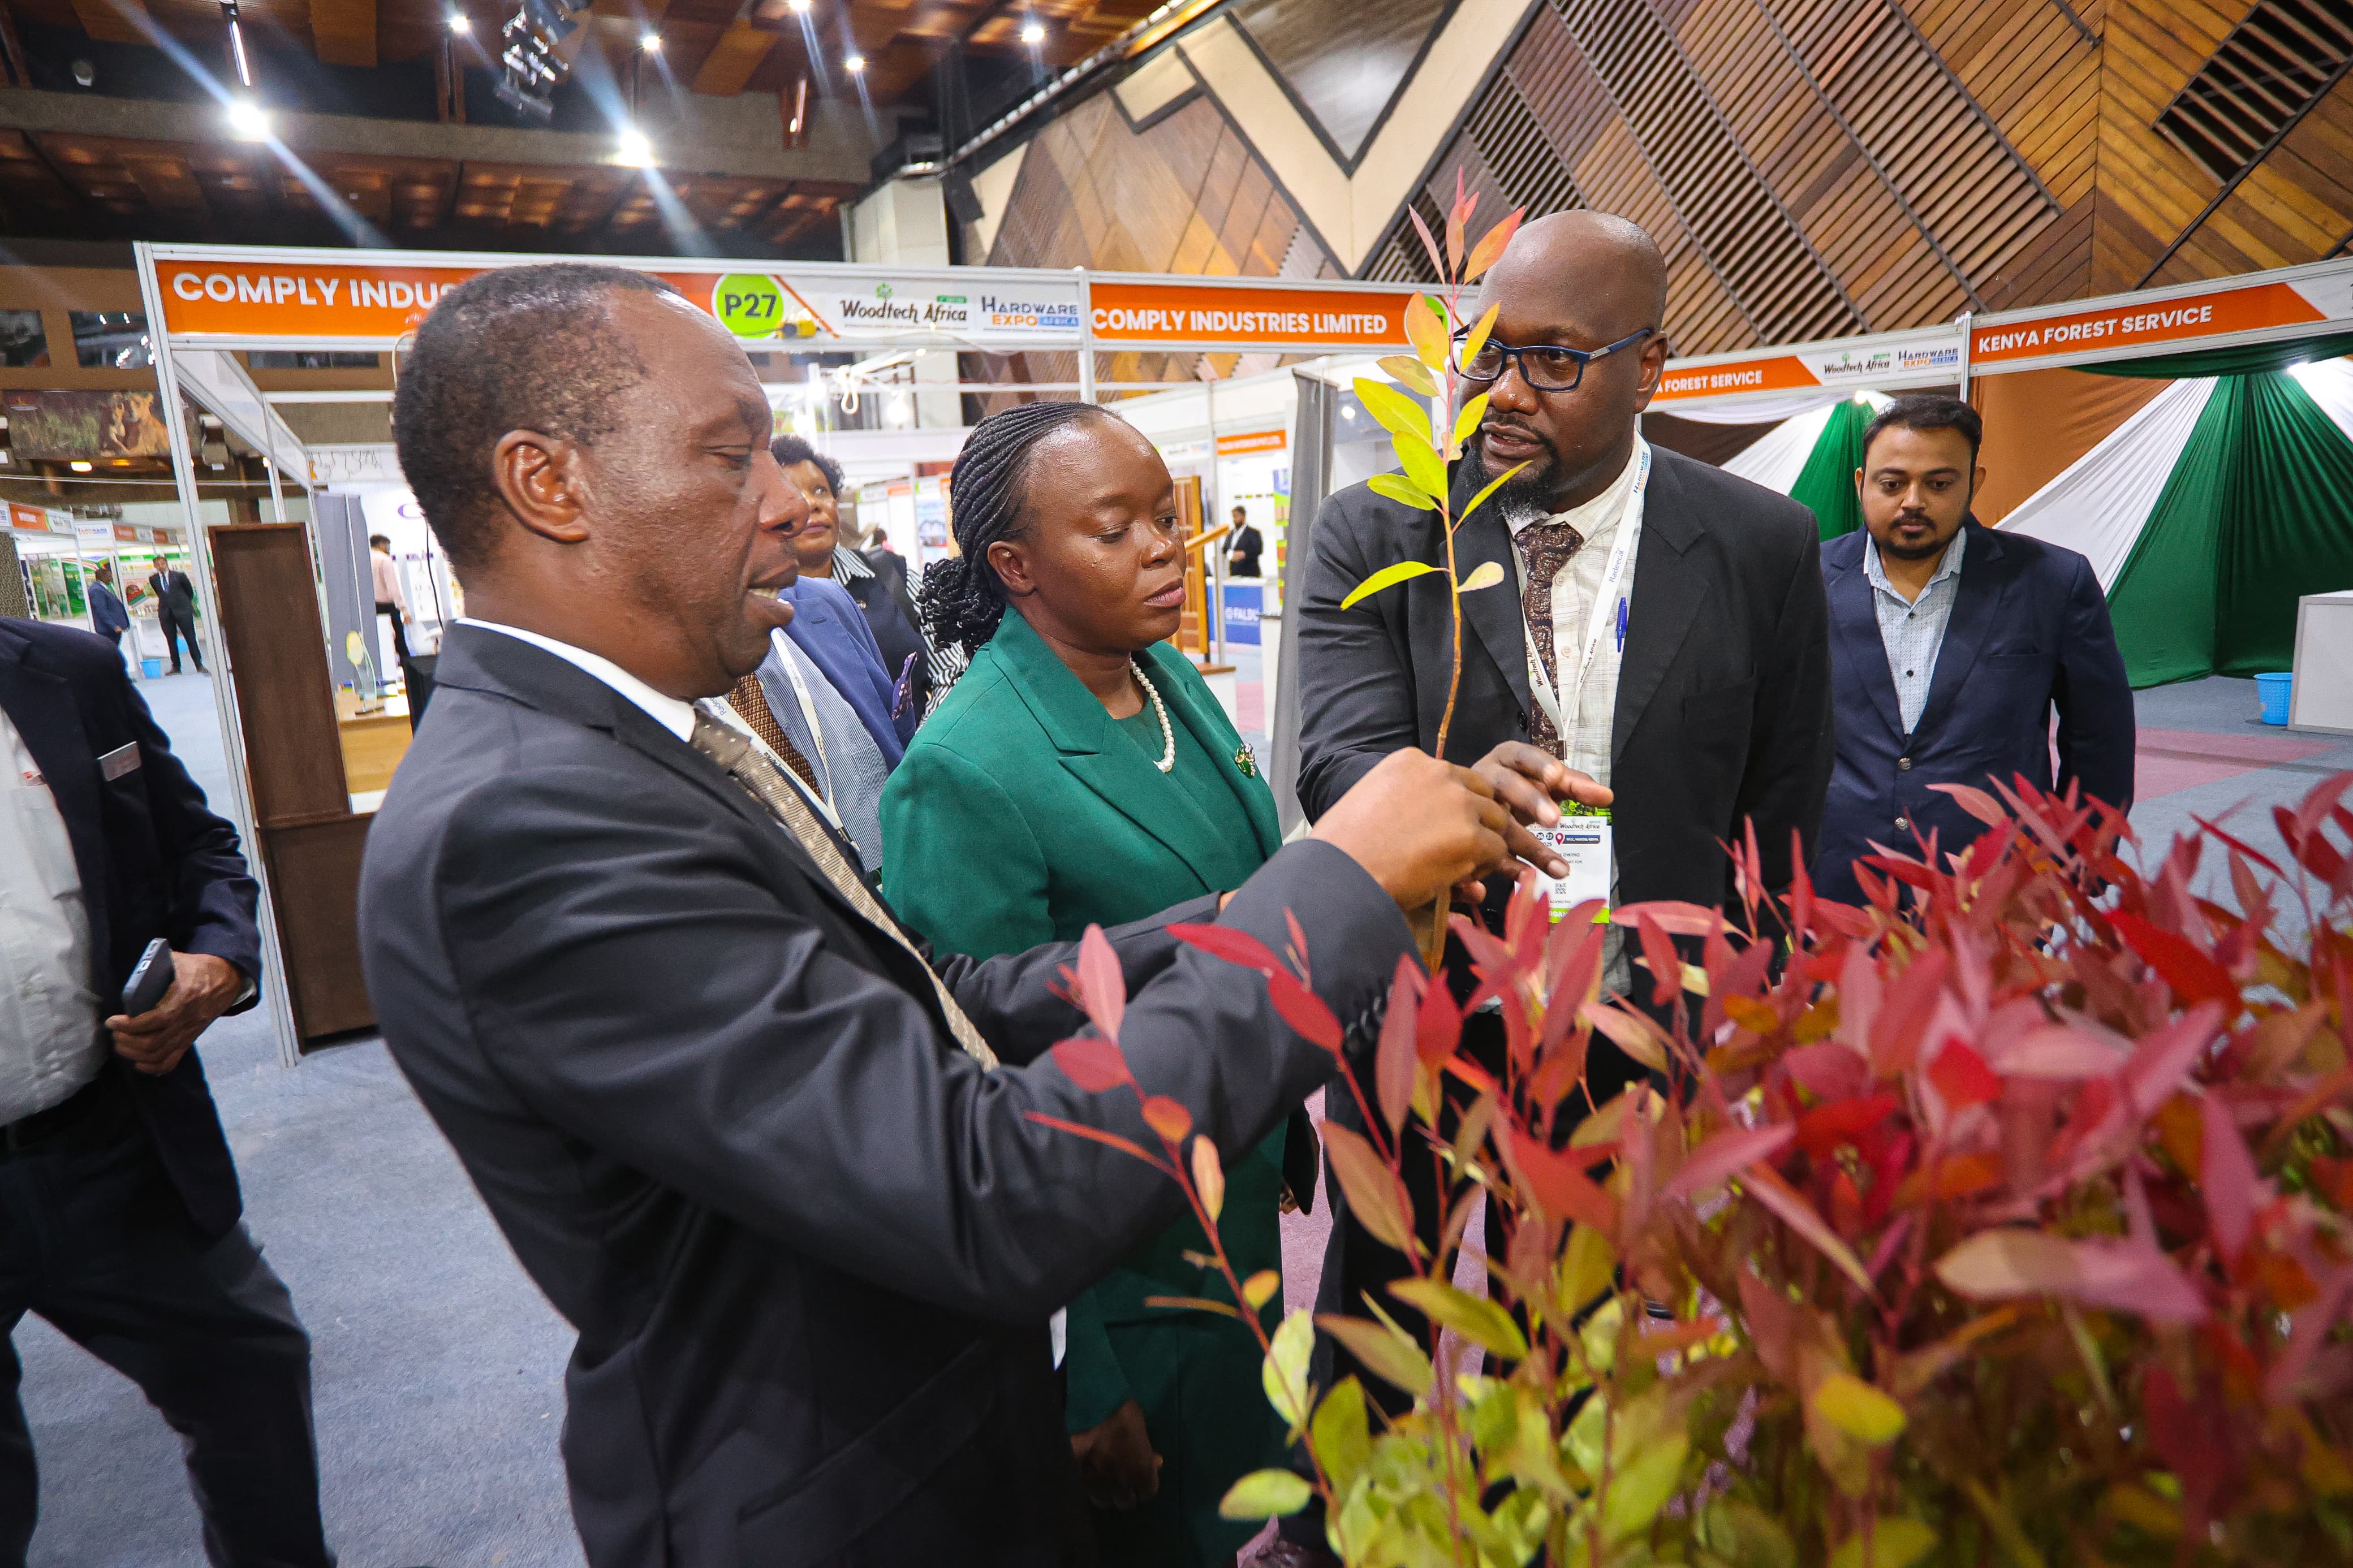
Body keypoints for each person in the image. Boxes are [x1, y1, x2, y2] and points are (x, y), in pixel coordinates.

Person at [359, 262, 1522, 1567]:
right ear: (547, 483)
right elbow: (980, 1184)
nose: (793, 502)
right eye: (732, 454)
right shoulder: (525, 825)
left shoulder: (632, 752)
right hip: (846, 1497)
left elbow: (926, 1005)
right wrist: (1330, 899)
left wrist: (1247, 907)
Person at [1284, 210, 1832, 1558]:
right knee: (1387, 1309)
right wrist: (1465, 793)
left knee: (1579, 1330)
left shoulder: (1761, 543)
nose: (1503, 393)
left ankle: (1553, 1534)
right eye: (1486, 354)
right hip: (1416, 1001)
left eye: (1553, 361)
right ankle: (1354, 1532)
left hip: (1627, 1024)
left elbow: (1779, 807)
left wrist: (1714, 1027)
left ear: (1656, 362)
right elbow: (1336, 753)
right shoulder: (1382, 525)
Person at [882, 404, 1393, 1568]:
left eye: (1167, 518)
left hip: (1232, 1202)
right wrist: (1082, 1377)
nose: (1168, 549)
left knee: (1234, 1506)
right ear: (1014, 567)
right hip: (1116, 1267)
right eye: (1118, 531)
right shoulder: (963, 770)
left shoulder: (1164, 676)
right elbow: (978, 1084)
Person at [0, 615, 331, 1567]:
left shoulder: (67, 671)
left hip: (110, 1137)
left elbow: (199, 847)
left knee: (253, 1375)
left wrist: (219, 958)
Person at [1812, 396, 2134, 903]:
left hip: (1998, 886)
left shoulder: (2052, 582)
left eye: (1939, 484)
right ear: (1860, 483)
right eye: (1892, 484)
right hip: (1836, 882)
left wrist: (2080, 865)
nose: (1913, 501)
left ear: (1973, 483)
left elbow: (2100, 740)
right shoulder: (1803, 578)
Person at [772, 434, 933, 718]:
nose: (812, 504)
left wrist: (925, 746)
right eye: (792, 494)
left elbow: (953, 668)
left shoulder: (892, 574)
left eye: (821, 491)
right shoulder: (762, 606)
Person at [146, 555, 203, 675]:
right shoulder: (153, 579)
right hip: (166, 613)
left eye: (162, 563)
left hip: (183, 611)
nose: (160, 566)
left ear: (166, 563)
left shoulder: (179, 576)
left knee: (190, 638)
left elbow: (189, 592)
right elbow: (159, 593)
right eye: (158, 564)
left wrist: (183, 603)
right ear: (155, 566)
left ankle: (199, 664)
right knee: (171, 641)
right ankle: (176, 667)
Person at [369, 532, 413, 665]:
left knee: (380, 644)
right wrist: (404, 609)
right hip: (386, 607)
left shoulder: (363, 558)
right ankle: (409, 676)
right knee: (400, 642)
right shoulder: (384, 559)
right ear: (382, 545)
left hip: (370, 607)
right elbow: (393, 587)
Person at [85, 560, 128, 650]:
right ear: (104, 577)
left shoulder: (102, 588)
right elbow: (101, 610)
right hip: (108, 630)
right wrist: (114, 626)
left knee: (114, 651)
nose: (111, 578)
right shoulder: (97, 590)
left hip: (112, 630)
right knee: (110, 651)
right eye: (110, 576)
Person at [1225, 505, 1262, 578]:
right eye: (1233, 517)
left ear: (1243, 516)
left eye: (1237, 516)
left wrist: (1244, 554)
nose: (1234, 519)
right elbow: (1225, 549)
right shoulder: (1231, 534)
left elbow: (1258, 549)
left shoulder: (1253, 533)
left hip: (1250, 574)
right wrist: (1231, 555)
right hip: (1234, 574)